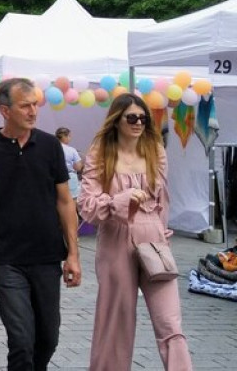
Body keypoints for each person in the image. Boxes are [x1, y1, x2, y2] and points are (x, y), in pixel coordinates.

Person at [0, 78, 81, 371]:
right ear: (5, 110)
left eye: (35, 105)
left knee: (48, 338)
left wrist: (73, 254)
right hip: (6, 259)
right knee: (20, 339)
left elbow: (65, 201)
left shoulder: (49, 146)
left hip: (46, 257)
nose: (33, 111)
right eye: (25, 106)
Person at [78, 94, 193, 370]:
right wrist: (120, 199)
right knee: (115, 324)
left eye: (143, 118)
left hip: (153, 239)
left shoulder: (155, 150)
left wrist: (162, 230)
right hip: (116, 240)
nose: (138, 122)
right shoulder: (101, 152)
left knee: (171, 322)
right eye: (131, 117)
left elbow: (163, 199)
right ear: (116, 121)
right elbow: (87, 206)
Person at [55, 127, 84, 198]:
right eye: (69, 136)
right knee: (73, 201)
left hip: (55, 179)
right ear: (64, 136)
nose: (70, 138)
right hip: (70, 178)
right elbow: (78, 167)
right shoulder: (71, 150)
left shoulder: (50, 149)